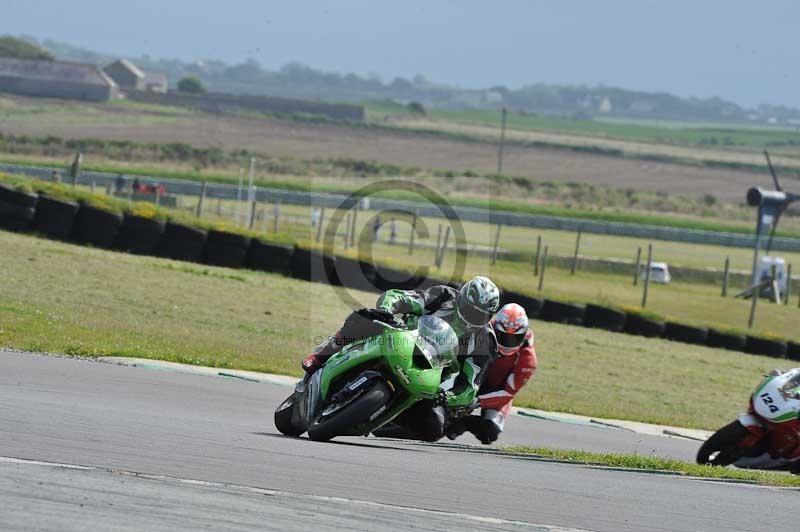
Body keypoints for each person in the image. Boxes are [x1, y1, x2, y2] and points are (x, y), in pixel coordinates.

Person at [303, 276, 501, 441]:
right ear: (462, 300)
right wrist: (386, 309)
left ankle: (385, 418)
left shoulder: (486, 342)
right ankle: (320, 356)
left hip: (429, 371)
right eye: (470, 309)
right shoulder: (444, 296)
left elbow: (469, 387)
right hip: (402, 337)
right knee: (364, 318)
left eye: (481, 315)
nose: (473, 317)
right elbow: (399, 297)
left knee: (432, 430)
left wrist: (446, 397)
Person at [446, 303, 538, 444]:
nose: (508, 343)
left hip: (497, 390)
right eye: (503, 336)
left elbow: (507, 393)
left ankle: (465, 422)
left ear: (524, 334)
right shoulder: (482, 332)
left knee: (490, 433)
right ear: (495, 329)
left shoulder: (528, 361)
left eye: (515, 338)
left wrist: (477, 401)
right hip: (469, 376)